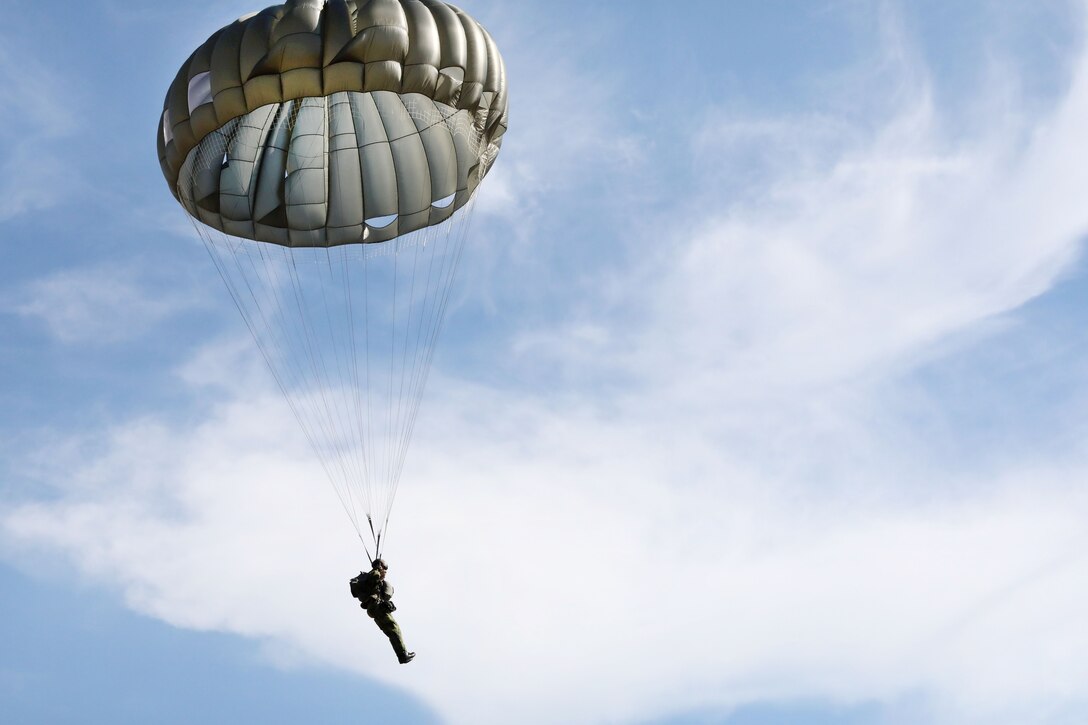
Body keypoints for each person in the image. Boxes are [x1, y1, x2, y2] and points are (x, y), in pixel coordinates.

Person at [350, 558, 415, 664]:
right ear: (380, 567)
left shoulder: (372, 580)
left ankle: (402, 655)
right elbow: (374, 577)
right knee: (394, 629)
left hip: (374, 608)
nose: (385, 571)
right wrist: (377, 569)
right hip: (377, 607)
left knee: (391, 632)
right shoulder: (373, 575)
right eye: (385, 568)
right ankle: (403, 655)